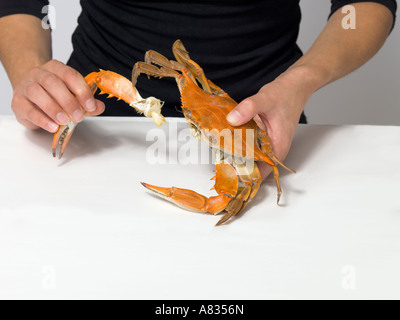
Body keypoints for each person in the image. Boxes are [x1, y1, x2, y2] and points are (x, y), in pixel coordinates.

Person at [0, 0, 397, 179]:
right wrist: (34, 76)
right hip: (94, 116)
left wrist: (300, 81)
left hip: (258, 117)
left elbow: (365, 3)